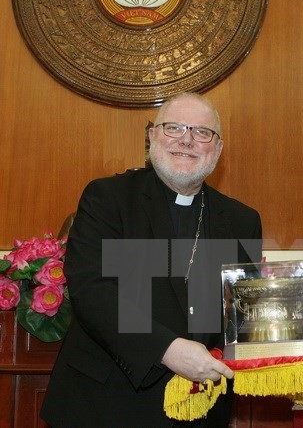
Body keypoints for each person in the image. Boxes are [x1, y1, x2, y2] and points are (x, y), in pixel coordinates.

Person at [41, 93, 263, 427]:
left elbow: (243, 316)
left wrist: (292, 337)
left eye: (202, 133)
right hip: (104, 405)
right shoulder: (109, 199)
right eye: (173, 128)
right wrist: (168, 349)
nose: (186, 140)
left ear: (217, 149)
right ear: (152, 137)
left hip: (199, 409)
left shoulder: (241, 220)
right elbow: (93, 291)